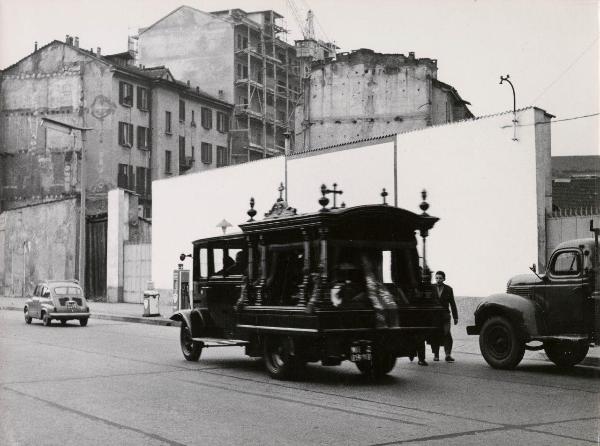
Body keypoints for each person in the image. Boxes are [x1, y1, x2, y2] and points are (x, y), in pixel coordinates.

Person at [431, 271, 458, 362]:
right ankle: (436, 355)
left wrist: (455, 317)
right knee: (435, 335)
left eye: (440, 278)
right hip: (434, 316)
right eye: (437, 278)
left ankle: (448, 354)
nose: (438, 280)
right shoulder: (431, 288)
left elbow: (452, 303)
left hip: (445, 316)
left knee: (447, 334)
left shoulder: (449, 289)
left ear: (444, 279)